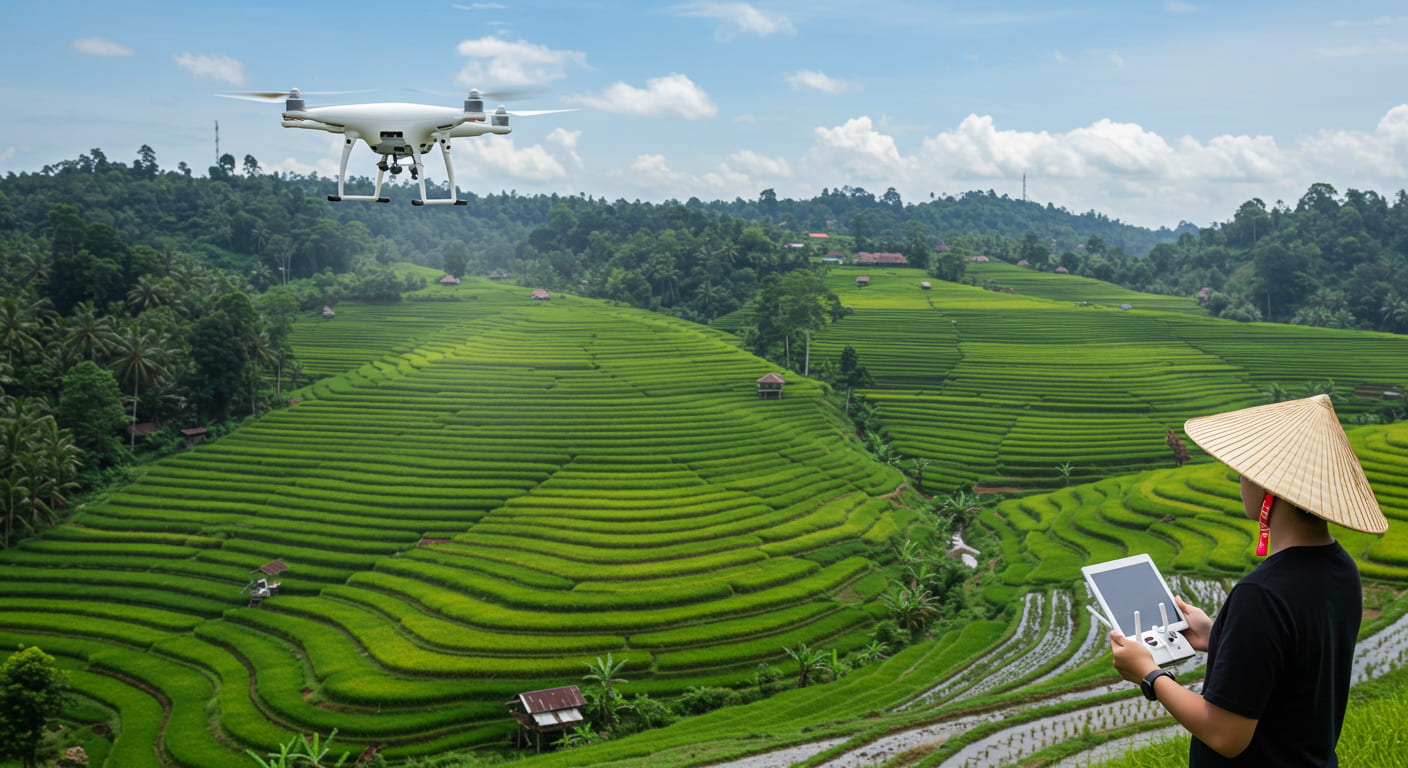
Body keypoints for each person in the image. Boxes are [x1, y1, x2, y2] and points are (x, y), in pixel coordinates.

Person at [1109, 394, 1387, 766]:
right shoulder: (1341, 569)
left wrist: (1149, 674)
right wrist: (1215, 634)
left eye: (1246, 470)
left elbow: (1226, 735)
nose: (1240, 478)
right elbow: (1293, 663)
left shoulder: (1260, 595)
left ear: (1271, 488)